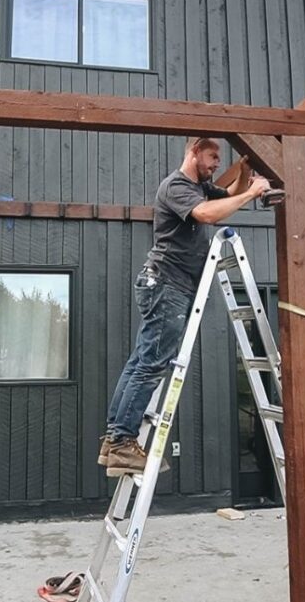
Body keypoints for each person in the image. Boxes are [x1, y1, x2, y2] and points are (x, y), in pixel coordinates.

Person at [100, 137, 270, 477]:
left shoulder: (200, 188)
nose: (216, 164)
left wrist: (246, 171)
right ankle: (121, 443)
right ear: (193, 152)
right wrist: (253, 191)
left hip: (165, 285)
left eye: (220, 158)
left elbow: (225, 198)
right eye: (212, 156)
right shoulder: (177, 186)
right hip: (167, 285)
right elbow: (208, 214)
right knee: (150, 364)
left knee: (141, 362)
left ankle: (113, 439)